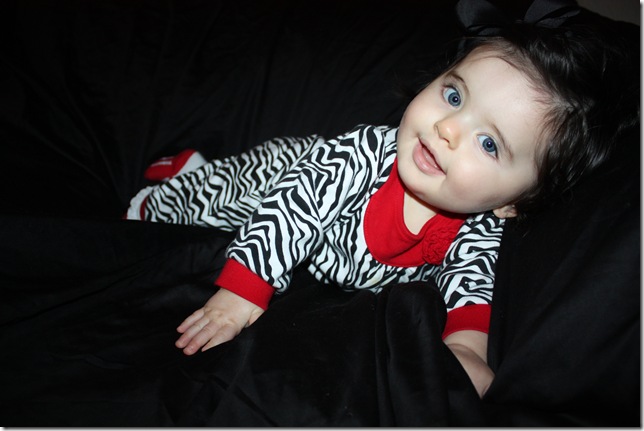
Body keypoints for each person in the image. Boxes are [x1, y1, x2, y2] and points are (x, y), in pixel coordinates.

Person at [125, 0, 638, 398]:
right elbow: (290, 209)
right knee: (214, 201)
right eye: (454, 96)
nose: (447, 128)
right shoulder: (362, 154)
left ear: (512, 203)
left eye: (488, 143)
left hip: (321, 239)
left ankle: (193, 169)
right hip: (285, 176)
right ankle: (180, 179)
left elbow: (472, 287)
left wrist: (466, 348)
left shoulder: (482, 228)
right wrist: (243, 291)